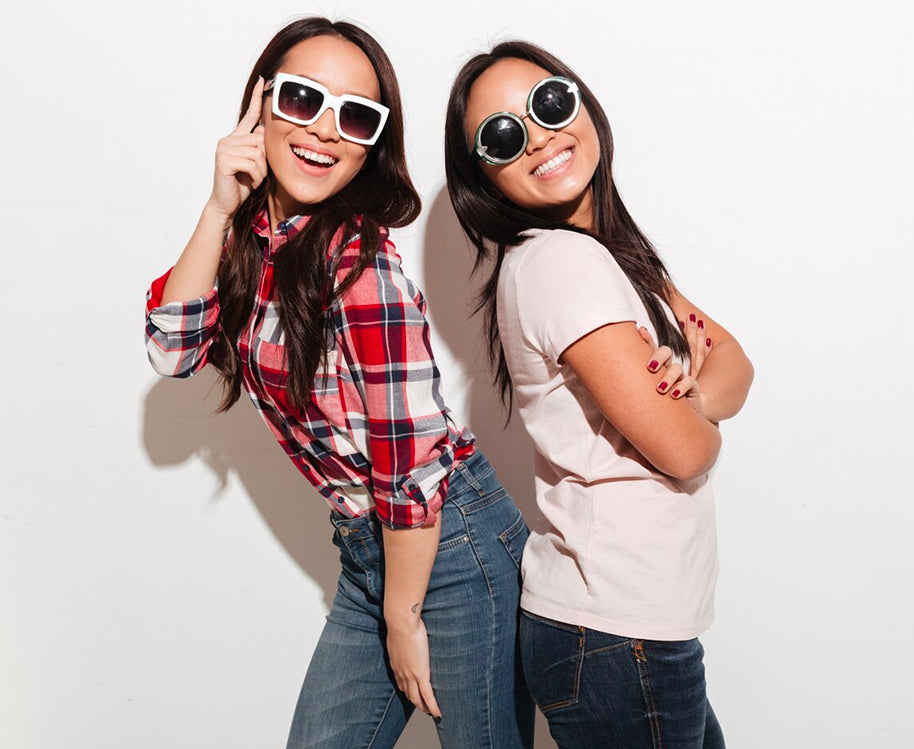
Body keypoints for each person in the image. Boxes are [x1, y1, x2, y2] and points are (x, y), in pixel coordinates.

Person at [144, 18, 533, 749]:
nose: (325, 130)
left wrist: (402, 614)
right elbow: (173, 351)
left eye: (354, 116)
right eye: (302, 99)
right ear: (260, 105)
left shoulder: (363, 273)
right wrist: (219, 206)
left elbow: (412, 467)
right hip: (369, 550)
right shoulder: (248, 243)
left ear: (370, 146)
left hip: (451, 546)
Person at [444, 41, 754, 748]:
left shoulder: (611, 253)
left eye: (549, 103)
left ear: (582, 102)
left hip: (628, 630)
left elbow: (733, 359)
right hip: (617, 631)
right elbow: (685, 451)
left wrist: (694, 397)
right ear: (484, 178)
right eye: (503, 136)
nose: (539, 137)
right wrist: (692, 415)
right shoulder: (564, 262)